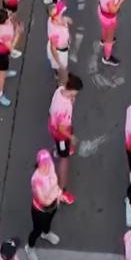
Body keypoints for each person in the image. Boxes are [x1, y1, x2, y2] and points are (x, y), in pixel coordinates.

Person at [25, 148, 62, 260]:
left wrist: (56, 194)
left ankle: (46, 234)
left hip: (53, 205)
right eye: (43, 164)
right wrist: (55, 191)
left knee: (48, 222)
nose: (46, 166)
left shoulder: (51, 166)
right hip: (40, 210)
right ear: (38, 164)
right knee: (36, 230)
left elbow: (56, 181)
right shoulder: (36, 180)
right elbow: (43, 200)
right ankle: (30, 248)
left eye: (48, 163)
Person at [49, 74, 81, 202]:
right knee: (64, 159)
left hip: (53, 126)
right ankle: (61, 191)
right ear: (71, 88)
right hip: (61, 135)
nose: (76, 95)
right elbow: (61, 128)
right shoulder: (63, 108)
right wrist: (71, 137)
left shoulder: (60, 90)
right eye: (75, 92)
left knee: (63, 148)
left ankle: (59, 150)